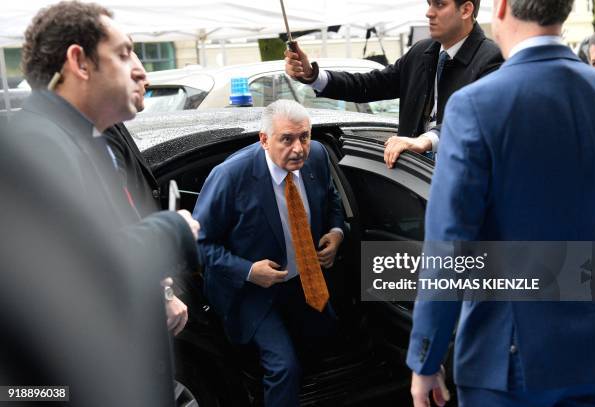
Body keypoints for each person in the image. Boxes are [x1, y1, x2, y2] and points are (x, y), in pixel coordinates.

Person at [406, 0, 595, 406]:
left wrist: (425, 361)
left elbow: (449, 246)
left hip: (511, 358)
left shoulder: (475, 105)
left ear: (500, 7)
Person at [9, 1, 200, 403]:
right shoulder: (38, 143)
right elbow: (78, 272)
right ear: (80, 61)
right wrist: (173, 230)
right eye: (124, 52)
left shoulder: (79, 139)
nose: (141, 71)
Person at [193, 100, 344, 406]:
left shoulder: (317, 156)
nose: (299, 148)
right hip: (251, 291)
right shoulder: (230, 176)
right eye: (287, 139)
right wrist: (249, 271)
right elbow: (198, 243)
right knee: (283, 368)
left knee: (330, 336)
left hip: (303, 282)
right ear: (264, 140)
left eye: (304, 136)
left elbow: (332, 200)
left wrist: (337, 233)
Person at [285, 0, 503, 168]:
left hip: (463, 186)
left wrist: (426, 140)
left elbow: (478, 121)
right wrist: (313, 75)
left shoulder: (491, 59)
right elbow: (369, 84)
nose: (429, 12)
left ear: (466, 10)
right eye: (429, 3)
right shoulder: (421, 53)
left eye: (440, 4)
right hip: (411, 179)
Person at [105, 52, 189, 336]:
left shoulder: (110, 126)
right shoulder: (95, 137)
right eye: (125, 57)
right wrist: (162, 292)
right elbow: (115, 224)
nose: (145, 76)